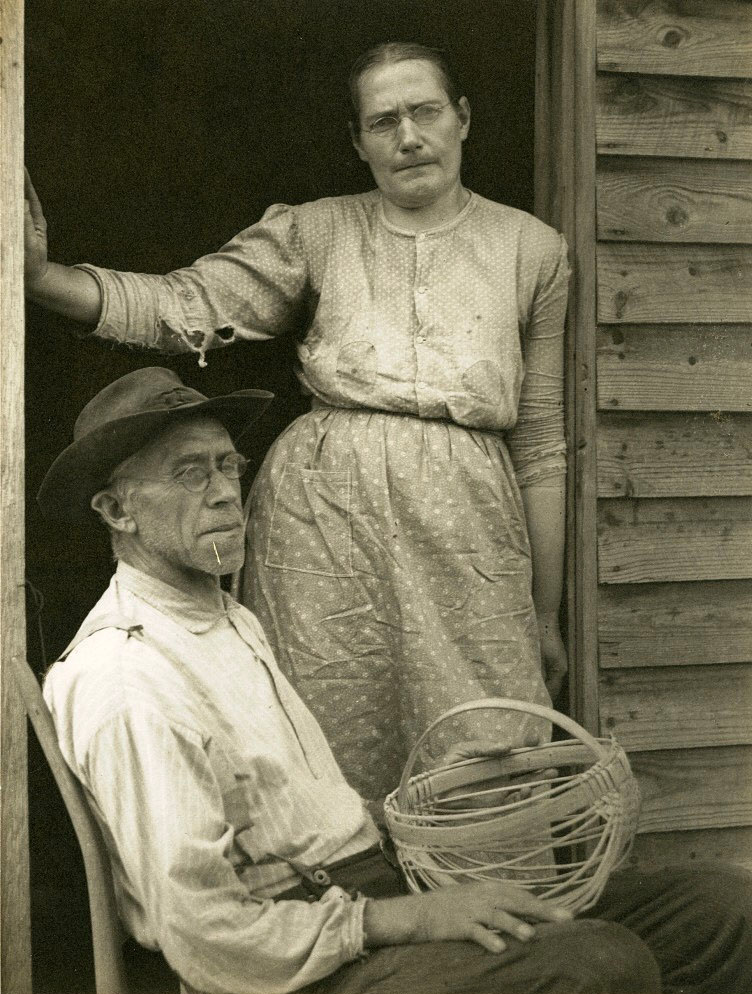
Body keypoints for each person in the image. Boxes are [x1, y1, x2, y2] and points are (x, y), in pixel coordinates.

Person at [39, 367, 752, 994]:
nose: (227, 494)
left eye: (229, 466)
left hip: (375, 894)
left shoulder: (225, 615)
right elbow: (204, 937)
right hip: (300, 965)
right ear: (116, 510)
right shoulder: (127, 676)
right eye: (189, 474)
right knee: (601, 965)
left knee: (720, 912)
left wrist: (431, 886)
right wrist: (407, 918)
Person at [27, 42, 568, 800]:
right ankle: (348, 913)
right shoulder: (317, 232)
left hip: (466, 525)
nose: (408, 136)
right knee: (325, 739)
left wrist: (544, 613)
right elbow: (190, 305)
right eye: (382, 122)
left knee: (489, 746)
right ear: (357, 142)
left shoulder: (533, 251)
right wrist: (41, 279)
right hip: (324, 521)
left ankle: (489, 915)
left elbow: (541, 443)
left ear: (463, 118)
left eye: (426, 112)